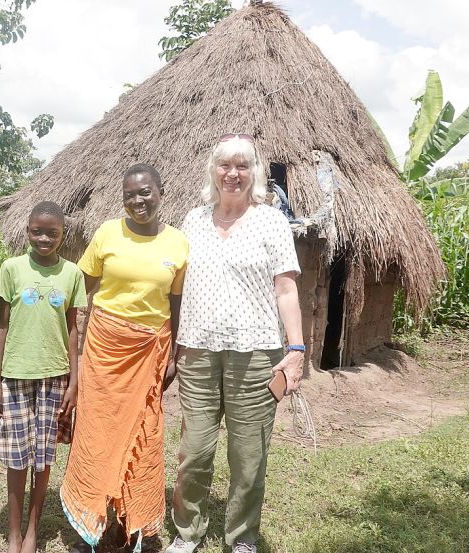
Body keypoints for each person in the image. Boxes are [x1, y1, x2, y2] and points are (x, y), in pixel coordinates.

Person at [165, 134, 306, 553]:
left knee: (248, 455)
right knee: (194, 450)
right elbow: (173, 286)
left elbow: (286, 289)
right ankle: (187, 531)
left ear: (255, 172)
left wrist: (295, 350)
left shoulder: (271, 222)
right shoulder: (192, 221)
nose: (233, 173)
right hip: (199, 351)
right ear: (213, 170)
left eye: (242, 166)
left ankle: (241, 537)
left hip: (256, 353)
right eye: (225, 165)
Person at [61, 164, 189, 553]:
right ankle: (92, 523)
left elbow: (176, 301)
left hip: (152, 351)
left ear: (161, 192)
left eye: (145, 192)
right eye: (130, 194)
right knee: (96, 433)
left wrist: (175, 353)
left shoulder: (178, 244)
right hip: (103, 348)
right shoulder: (106, 234)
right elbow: (79, 290)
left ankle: (132, 526)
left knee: (144, 435)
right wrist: (71, 341)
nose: (138, 201)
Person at [0, 201, 88, 553]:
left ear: (64, 234)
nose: (44, 238)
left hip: (55, 375)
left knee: (42, 458)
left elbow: (73, 329)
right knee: (16, 457)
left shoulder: (72, 274)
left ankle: (32, 531)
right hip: (15, 374)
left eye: (52, 233)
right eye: (37, 231)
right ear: (27, 230)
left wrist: (75, 381)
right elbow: (0, 327)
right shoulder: (11, 268)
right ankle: (14, 534)